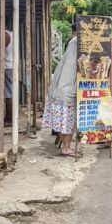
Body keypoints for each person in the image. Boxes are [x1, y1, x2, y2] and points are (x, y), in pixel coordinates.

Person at [42, 27, 79, 157]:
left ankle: (66, 145)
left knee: (64, 120)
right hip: (66, 89)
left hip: (60, 88)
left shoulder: (71, 44)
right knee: (67, 120)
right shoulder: (76, 42)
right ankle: (66, 147)